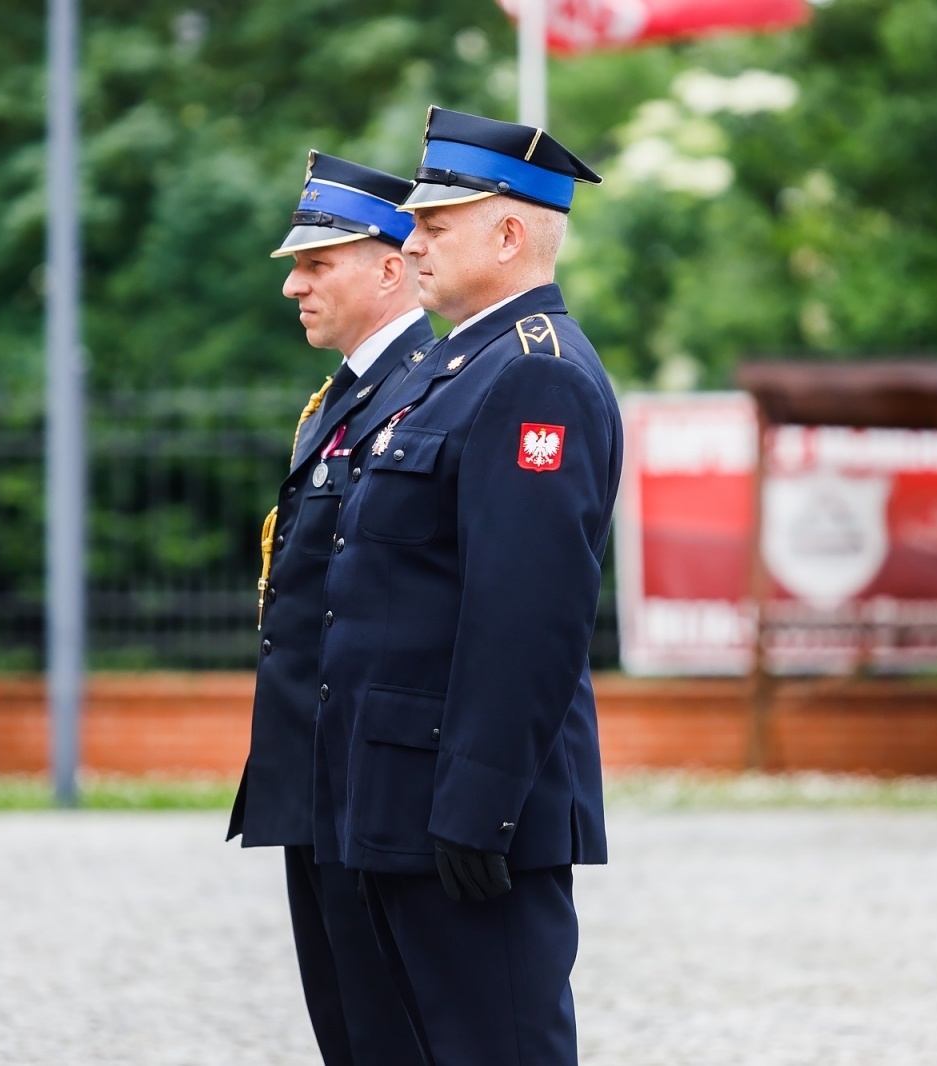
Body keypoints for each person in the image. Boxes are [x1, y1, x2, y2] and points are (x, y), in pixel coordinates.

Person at [312, 108, 620, 1066]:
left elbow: (527, 617)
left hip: (469, 817)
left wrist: (478, 809)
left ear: (511, 232)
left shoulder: (537, 377)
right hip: (402, 799)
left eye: (436, 228)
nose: (412, 242)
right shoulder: (458, 368)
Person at [227, 153, 434, 1066]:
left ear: (391, 268)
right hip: (315, 776)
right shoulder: (342, 398)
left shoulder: (429, 385)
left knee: (391, 1031)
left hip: (373, 780)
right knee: (346, 1032)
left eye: (317, 265)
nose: (293, 286)